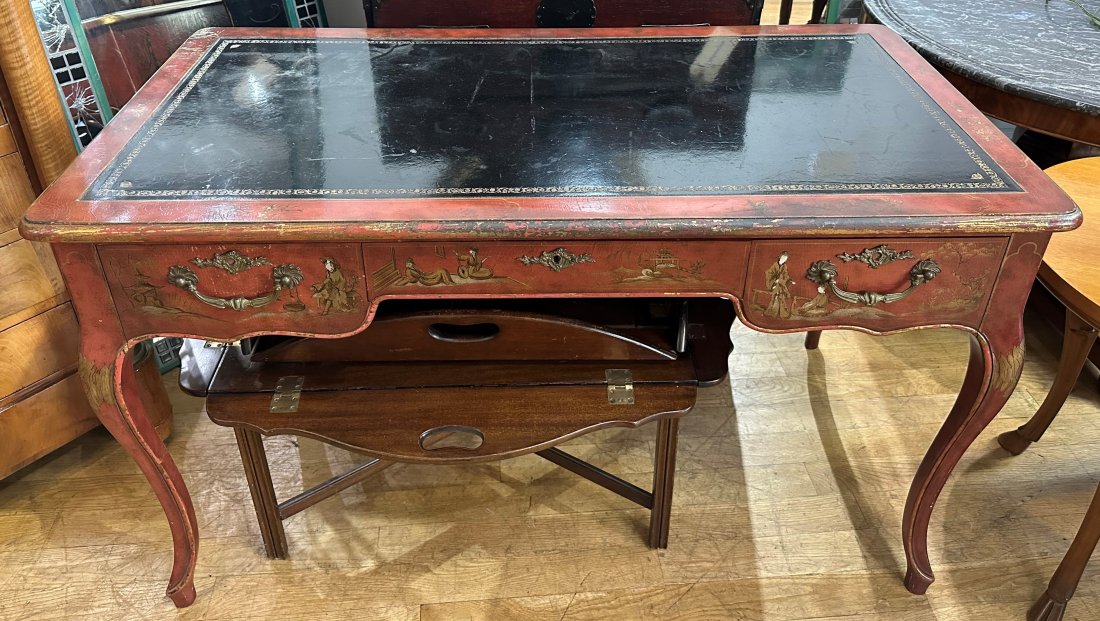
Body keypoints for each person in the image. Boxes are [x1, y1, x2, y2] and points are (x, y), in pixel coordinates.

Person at [764, 252, 794, 319]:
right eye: (783, 258)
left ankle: (781, 313)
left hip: (779, 283)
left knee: (780, 293)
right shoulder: (775, 265)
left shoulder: (784, 266)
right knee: (778, 293)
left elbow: (786, 275)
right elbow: (768, 273)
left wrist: (789, 280)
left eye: (785, 259)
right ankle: (772, 312)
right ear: (780, 257)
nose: (784, 260)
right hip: (773, 283)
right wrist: (775, 279)